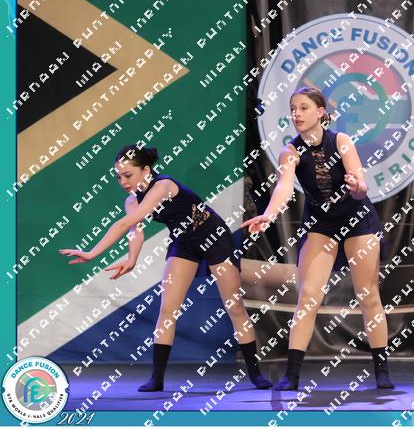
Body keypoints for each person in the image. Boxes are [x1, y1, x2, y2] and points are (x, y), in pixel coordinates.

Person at [60, 145, 272, 392]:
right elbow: (135, 231)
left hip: (213, 236)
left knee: (234, 306)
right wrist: (132, 259)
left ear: (146, 170)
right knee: (167, 309)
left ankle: (255, 374)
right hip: (183, 242)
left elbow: (124, 224)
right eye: (118, 177)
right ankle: (157, 378)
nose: (123, 182)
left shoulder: (162, 186)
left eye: (128, 175)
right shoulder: (132, 201)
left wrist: (92, 253)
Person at [243, 86, 394, 391]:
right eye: (293, 109)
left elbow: (360, 183)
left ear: (321, 112)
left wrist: (357, 187)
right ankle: (292, 376)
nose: (296, 114)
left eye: (303, 108)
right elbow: (284, 187)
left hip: (357, 219)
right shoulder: (290, 151)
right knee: (308, 296)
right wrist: (269, 215)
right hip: (321, 222)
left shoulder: (341, 140)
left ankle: (382, 371)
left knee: (368, 296)